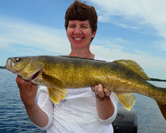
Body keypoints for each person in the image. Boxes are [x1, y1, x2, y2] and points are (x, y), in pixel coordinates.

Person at [16, 0, 118, 132]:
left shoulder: (110, 67)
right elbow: (44, 123)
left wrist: (102, 97)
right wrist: (29, 102)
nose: (77, 31)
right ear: (66, 31)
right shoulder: (49, 67)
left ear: (94, 32)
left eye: (83, 26)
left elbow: (107, 119)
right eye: (72, 26)